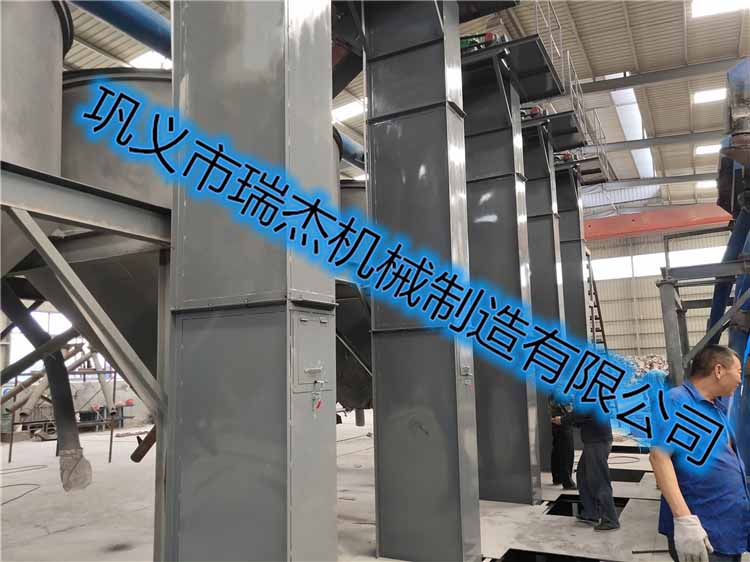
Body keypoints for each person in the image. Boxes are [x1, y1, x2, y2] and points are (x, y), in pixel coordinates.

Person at [650, 344, 749, 562]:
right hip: (704, 531)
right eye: (738, 372)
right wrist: (684, 519)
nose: (740, 380)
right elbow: (659, 456)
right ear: (719, 370)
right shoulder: (677, 401)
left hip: (727, 529)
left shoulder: (715, 407)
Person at [558, 408, 620, 531]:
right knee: (582, 476)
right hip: (594, 440)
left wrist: (563, 420)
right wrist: (569, 420)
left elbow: (581, 412)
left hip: (597, 442)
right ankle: (591, 513)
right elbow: (583, 418)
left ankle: (610, 519)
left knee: (599, 480)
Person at [549, 396, 576, 489]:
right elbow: (567, 406)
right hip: (562, 419)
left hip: (555, 417)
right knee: (567, 452)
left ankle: (557, 478)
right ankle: (567, 482)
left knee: (557, 449)